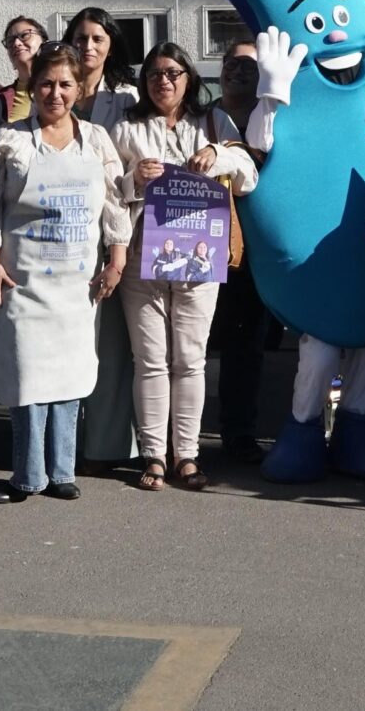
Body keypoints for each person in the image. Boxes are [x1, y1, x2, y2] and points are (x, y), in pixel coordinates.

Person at [0, 44, 132, 503]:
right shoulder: (10, 141)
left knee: (69, 377)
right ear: (33, 86)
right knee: (25, 377)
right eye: (46, 83)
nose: (55, 93)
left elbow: (114, 204)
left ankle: (62, 471)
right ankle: (26, 476)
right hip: (21, 282)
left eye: (65, 84)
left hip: (77, 286)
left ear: (79, 89)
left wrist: (117, 258)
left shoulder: (97, 140)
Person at [110, 41, 257, 491]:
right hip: (142, 259)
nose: (164, 81)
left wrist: (219, 155)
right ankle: (155, 455)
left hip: (199, 260)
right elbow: (105, 191)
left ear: (188, 78)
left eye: (173, 72)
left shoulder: (213, 122)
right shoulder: (125, 128)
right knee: (150, 361)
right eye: (155, 73)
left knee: (191, 361)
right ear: (144, 80)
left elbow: (249, 177)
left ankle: (187, 455)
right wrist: (132, 180)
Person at [63, 7, 142, 471]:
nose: (88, 46)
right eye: (80, 38)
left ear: (111, 46)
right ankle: (64, 443)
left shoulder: (127, 97)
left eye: (97, 38)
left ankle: (107, 445)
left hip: (113, 230)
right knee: (68, 341)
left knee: (111, 345)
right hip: (62, 233)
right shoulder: (55, 89)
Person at [207, 38, 276, 461]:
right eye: (231, 63)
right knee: (190, 346)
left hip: (255, 251)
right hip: (199, 243)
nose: (237, 71)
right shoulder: (200, 119)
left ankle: (239, 432)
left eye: (248, 66)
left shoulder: (277, 124)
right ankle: (178, 438)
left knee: (245, 346)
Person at [0, 16, 49, 124]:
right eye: (10, 41)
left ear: (44, 40)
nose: (16, 43)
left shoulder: (61, 89)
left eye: (24, 35)